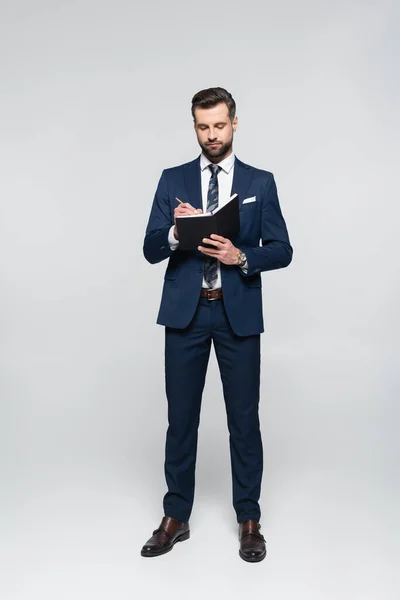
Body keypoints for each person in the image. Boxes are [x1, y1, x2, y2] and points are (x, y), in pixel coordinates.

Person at [141, 87, 292, 562]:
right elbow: (149, 247)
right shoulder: (173, 180)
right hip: (186, 313)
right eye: (203, 126)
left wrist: (241, 255)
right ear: (194, 127)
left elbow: (283, 249)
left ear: (234, 123)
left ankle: (249, 518)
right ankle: (175, 516)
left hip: (236, 311)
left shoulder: (259, 182)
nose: (211, 134)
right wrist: (174, 230)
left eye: (219, 125)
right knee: (180, 418)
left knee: (243, 420)